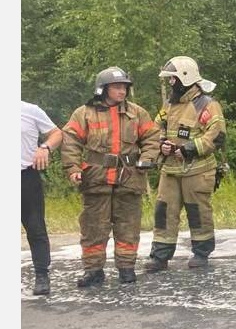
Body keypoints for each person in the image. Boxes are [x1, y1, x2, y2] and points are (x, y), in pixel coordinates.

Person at [60, 67, 162, 287]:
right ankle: (93, 271)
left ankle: (126, 269)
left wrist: (147, 157)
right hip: (96, 178)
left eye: (124, 87)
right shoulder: (84, 113)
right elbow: (70, 141)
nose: (122, 91)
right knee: (93, 227)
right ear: (103, 89)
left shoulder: (137, 113)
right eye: (117, 87)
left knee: (128, 225)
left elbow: (152, 137)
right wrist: (73, 168)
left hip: (130, 178)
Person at [144, 56, 227, 271]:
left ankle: (201, 254)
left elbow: (216, 136)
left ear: (185, 77)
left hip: (197, 172)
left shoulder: (207, 105)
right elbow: (156, 128)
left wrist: (188, 149)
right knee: (164, 212)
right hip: (170, 170)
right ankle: (159, 256)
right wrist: (161, 143)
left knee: (198, 212)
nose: (171, 83)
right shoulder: (169, 105)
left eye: (173, 79)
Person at [22, 101, 64, 296]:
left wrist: (45, 147)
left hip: (25, 176)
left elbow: (57, 133)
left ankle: (41, 275)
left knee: (35, 226)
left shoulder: (29, 110)